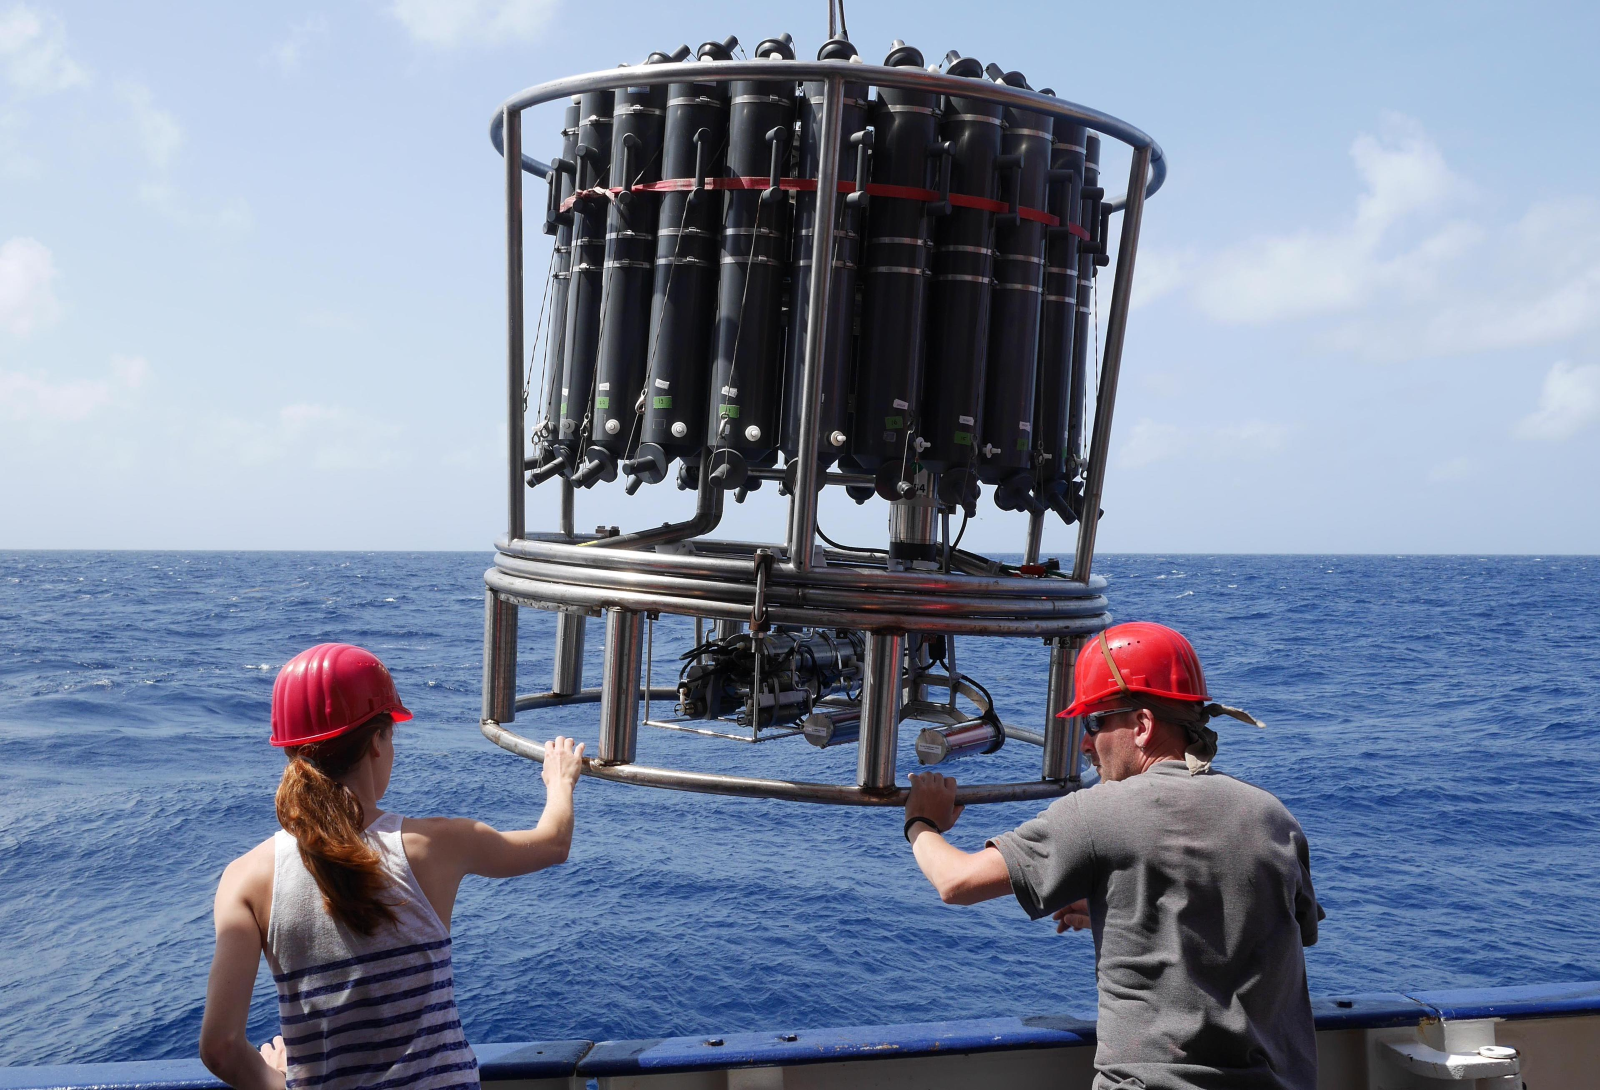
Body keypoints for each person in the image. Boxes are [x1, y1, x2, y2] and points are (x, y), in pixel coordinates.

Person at [903, 622, 1324, 1090]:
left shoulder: (1096, 813)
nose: (1086, 742)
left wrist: (922, 822)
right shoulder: (1272, 815)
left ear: (1142, 726)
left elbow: (955, 882)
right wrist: (1126, 905)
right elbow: (1276, 925)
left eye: (1094, 722)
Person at [199, 643, 585, 1090]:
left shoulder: (244, 880)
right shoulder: (436, 845)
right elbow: (552, 843)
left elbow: (221, 1046)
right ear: (377, 743)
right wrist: (560, 780)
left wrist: (281, 1080)